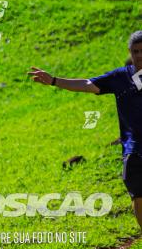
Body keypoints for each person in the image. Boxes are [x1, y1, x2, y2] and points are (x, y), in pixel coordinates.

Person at [29, 30, 142, 231]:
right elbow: (88, 84)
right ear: (129, 53)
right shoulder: (120, 77)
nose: (139, 55)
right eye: (135, 51)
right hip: (134, 152)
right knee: (138, 197)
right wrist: (54, 80)